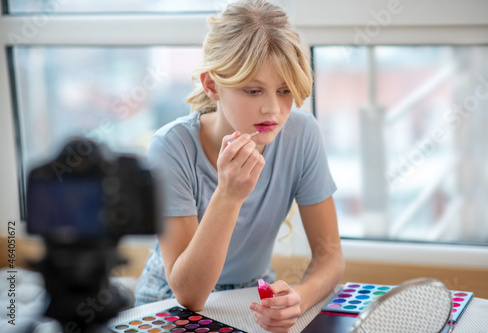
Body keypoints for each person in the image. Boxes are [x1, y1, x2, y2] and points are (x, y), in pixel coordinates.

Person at [135, 0, 345, 331]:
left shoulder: (303, 134)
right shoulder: (170, 147)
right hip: (170, 299)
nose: (273, 109)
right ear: (211, 85)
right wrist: (229, 195)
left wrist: (297, 299)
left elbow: (330, 256)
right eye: (253, 90)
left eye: (285, 90)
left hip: (250, 294)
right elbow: (188, 294)